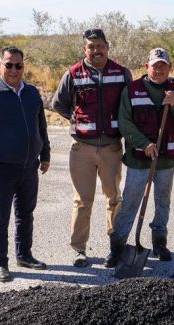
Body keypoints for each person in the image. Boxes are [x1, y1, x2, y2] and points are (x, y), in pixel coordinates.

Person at [106, 48, 174, 267]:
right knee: (130, 203)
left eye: (163, 66)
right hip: (139, 160)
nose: (159, 70)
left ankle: (159, 242)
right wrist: (144, 144)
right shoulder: (132, 90)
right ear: (147, 67)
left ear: (170, 68)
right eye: (154, 66)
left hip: (166, 162)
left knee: (162, 203)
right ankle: (117, 247)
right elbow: (124, 122)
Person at [0, 46, 51, 282]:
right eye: (9, 65)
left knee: (26, 214)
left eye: (18, 65)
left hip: (28, 167)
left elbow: (41, 127)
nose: (14, 70)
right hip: (0, 168)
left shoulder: (32, 93)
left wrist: (45, 154)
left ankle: (24, 255)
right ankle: (0, 263)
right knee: (0, 217)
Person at [52, 29, 132, 267]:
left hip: (111, 147)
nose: (96, 51)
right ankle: (79, 250)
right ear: (84, 49)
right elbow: (59, 104)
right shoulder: (73, 74)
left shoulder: (121, 73)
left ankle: (115, 248)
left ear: (107, 47)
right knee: (82, 200)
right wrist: (79, 122)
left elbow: (130, 108)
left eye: (100, 46)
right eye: (91, 47)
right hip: (83, 148)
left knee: (114, 198)